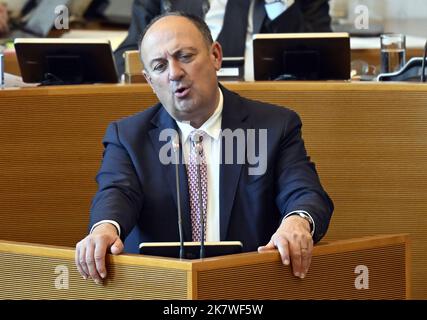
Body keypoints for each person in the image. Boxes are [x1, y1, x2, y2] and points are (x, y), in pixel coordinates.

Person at [75, 12, 333, 285]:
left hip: (249, 286)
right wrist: (104, 227)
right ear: (150, 81)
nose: (174, 73)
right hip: (163, 289)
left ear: (215, 56)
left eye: (185, 56)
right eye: (160, 66)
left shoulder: (274, 127)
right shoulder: (128, 137)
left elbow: (305, 193)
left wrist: (297, 221)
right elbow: (117, 192)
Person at [114, 0, 332, 79]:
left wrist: (278, 4)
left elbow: (324, 65)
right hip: (183, 106)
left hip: (268, 106)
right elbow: (129, 55)